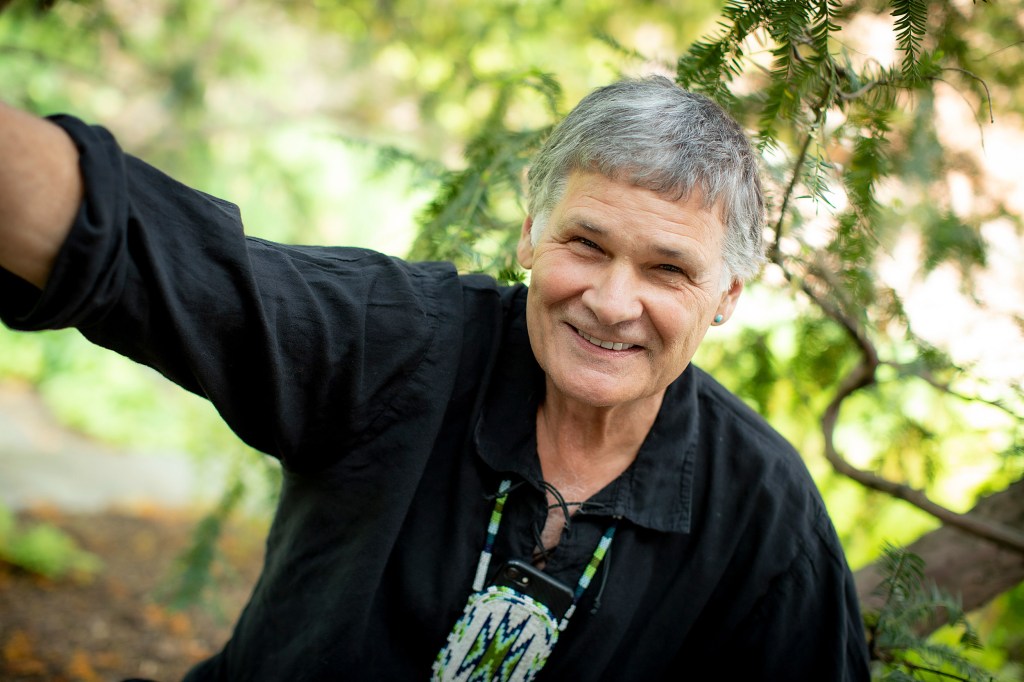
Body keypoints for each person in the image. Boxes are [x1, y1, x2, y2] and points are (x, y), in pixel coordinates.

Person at [0, 75, 870, 680]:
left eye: (667, 272)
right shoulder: (403, 344)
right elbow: (163, 257)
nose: (611, 302)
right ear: (530, 233)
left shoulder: (765, 515)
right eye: (585, 244)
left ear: (726, 296)